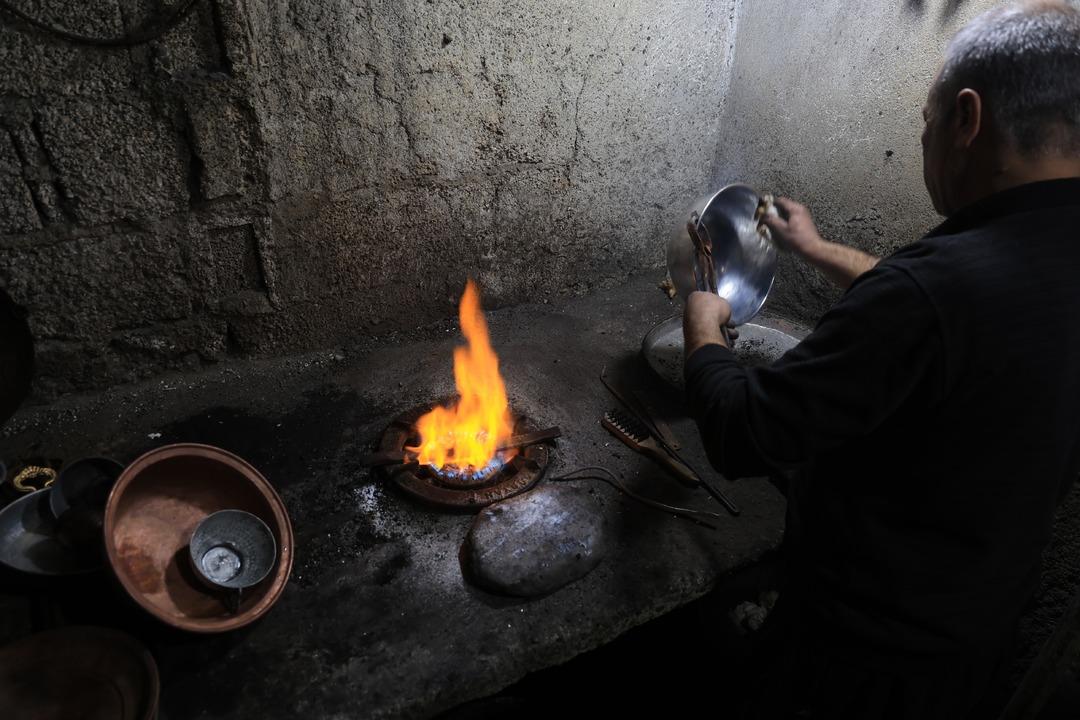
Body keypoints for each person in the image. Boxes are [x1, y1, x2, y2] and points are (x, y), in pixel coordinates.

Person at [681, 1, 1080, 718]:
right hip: (977, 643)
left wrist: (703, 331)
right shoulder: (1037, 260)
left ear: (968, 118)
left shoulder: (932, 292)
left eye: (925, 123)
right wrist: (816, 248)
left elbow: (742, 432)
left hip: (860, 662)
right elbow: (954, 321)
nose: (926, 140)